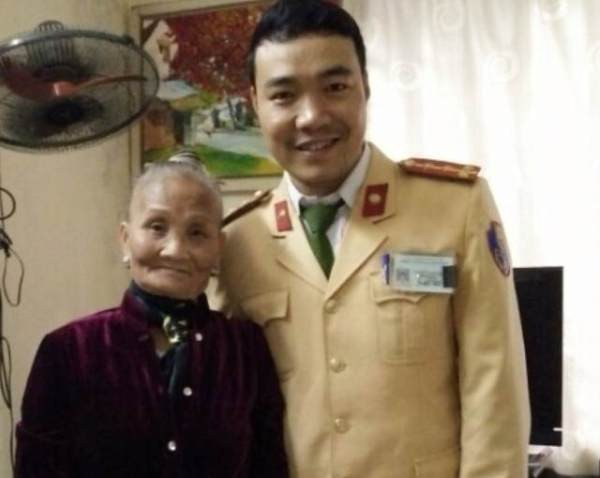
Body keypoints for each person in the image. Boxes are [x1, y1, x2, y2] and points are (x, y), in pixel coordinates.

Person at [211, 1, 531, 477]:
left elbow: (495, 392)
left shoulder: (454, 208)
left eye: (335, 87)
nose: (311, 116)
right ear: (255, 102)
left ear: (366, 86)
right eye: (284, 95)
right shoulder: (237, 241)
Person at [16, 153, 288, 478]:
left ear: (218, 247)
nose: (175, 250)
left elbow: (269, 466)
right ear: (125, 239)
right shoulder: (68, 350)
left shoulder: (245, 349)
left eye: (197, 233)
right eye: (157, 227)